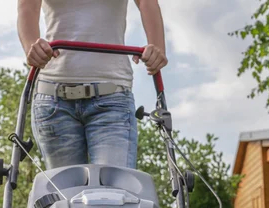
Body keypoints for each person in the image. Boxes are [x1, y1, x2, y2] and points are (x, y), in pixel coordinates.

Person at [17, 0, 167, 170]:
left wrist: (157, 48)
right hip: (53, 101)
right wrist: (31, 46)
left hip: (112, 98)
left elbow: (147, 3)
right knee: (64, 192)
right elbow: (27, 7)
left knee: (113, 190)